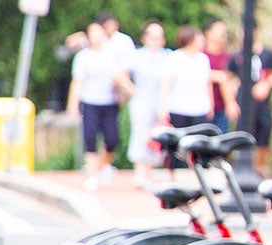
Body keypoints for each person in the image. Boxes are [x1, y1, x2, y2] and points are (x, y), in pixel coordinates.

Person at [67, 22, 130, 191]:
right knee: (90, 136)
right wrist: (72, 104)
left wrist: (131, 90)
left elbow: (120, 75)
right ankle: (92, 174)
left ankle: (103, 165)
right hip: (90, 101)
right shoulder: (83, 57)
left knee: (112, 139)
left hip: (109, 101)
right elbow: (78, 82)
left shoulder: (112, 54)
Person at [230, 25, 272, 173]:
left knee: (264, 137)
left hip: (263, 105)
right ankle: (241, 169)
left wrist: (266, 84)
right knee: (242, 136)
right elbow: (228, 79)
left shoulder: (269, 54)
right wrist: (230, 103)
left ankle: (258, 169)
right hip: (243, 104)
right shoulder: (237, 55)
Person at [124, 20, 171, 187]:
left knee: (156, 137)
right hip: (141, 101)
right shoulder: (137, 56)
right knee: (140, 134)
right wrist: (132, 90)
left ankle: (149, 172)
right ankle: (139, 171)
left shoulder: (167, 57)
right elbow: (120, 74)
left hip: (160, 102)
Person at [159, 26, 215, 132]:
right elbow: (166, 83)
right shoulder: (175, 57)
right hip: (179, 109)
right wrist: (163, 107)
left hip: (200, 109)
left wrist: (211, 105)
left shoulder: (203, 59)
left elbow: (207, 83)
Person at [202, 20, 240, 130]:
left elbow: (233, 78)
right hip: (202, 108)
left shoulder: (230, 57)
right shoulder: (201, 55)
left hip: (222, 110)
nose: (223, 35)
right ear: (208, 33)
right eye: (219, 31)